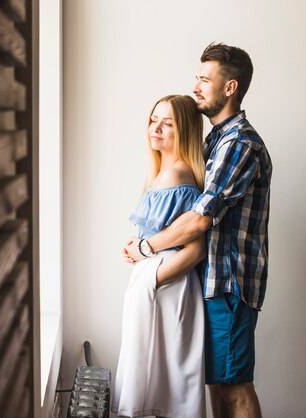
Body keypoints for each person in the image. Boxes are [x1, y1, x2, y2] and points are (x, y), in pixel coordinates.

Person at [123, 43, 272, 418]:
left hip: (230, 282)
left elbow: (201, 218)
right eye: (197, 78)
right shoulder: (214, 141)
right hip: (210, 282)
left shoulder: (239, 143)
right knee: (218, 385)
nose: (197, 86)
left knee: (235, 387)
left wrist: (145, 248)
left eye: (205, 79)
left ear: (230, 87)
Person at [112, 94, 207, 418]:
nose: (157, 128)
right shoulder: (161, 174)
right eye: (154, 120)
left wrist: (151, 278)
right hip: (159, 286)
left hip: (170, 289)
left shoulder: (178, 176)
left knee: (168, 384)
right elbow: (158, 236)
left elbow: (195, 249)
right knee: (161, 383)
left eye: (168, 123)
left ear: (185, 131)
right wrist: (139, 251)